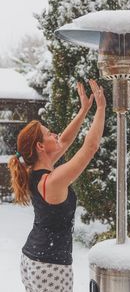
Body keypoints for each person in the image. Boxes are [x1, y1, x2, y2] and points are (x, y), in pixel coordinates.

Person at [8, 79, 106, 292]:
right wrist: (101, 108)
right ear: (41, 146)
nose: (55, 134)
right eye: (49, 132)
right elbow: (90, 147)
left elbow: (65, 140)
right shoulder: (52, 181)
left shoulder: (38, 170)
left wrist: (84, 110)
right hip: (49, 266)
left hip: (34, 259)